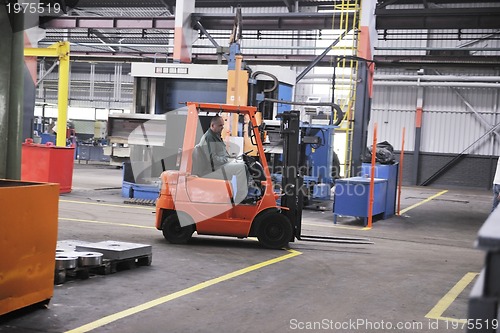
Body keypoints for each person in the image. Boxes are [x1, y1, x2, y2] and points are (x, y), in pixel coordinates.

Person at [198, 115, 252, 204]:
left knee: (243, 164)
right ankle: (240, 199)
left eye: (222, 125)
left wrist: (230, 159)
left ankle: (245, 193)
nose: (222, 127)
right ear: (212, 125)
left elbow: (220, 154)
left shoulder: (215, 136)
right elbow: (214, 160)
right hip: (212, 169)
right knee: (241, 168)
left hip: (218, 165)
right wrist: (227, 160)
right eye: (220, 125)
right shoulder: (209, 137)